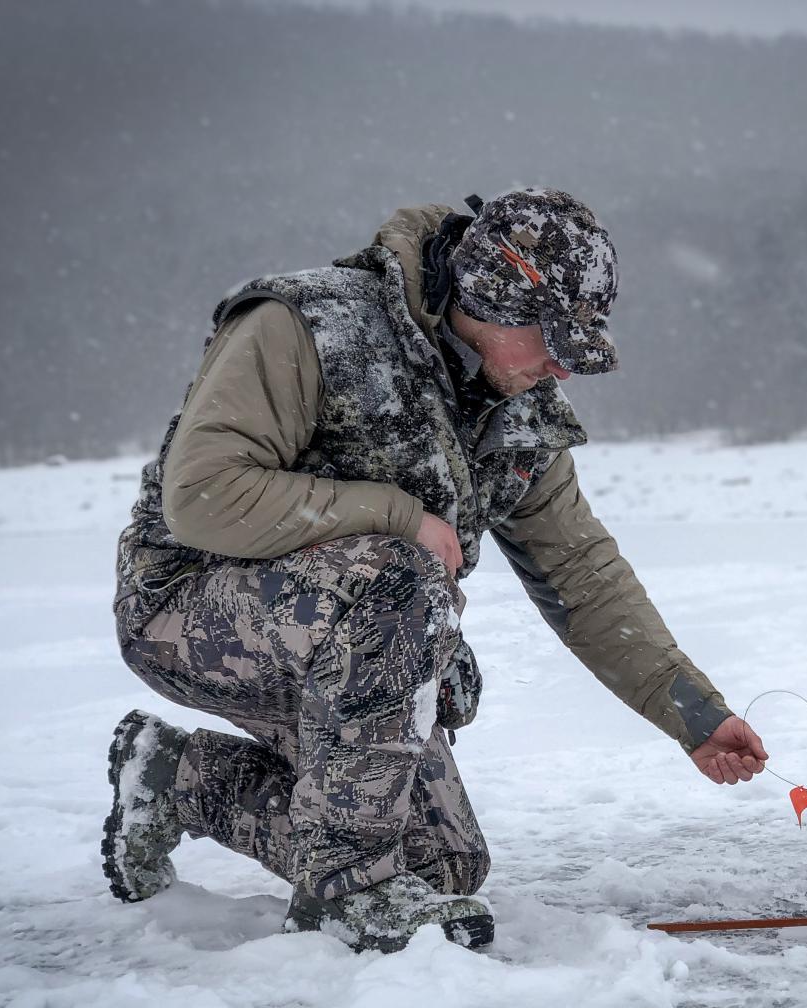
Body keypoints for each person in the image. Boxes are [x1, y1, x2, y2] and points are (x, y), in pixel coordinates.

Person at [106, 187, 767, 953]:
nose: (562, 366)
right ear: (488, 300)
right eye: (552, 339)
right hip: (187, 610)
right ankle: (346, 892)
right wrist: (396, 515)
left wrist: (694, 716)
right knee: (398, 578)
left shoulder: (518, 412)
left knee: (441, 867)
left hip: (347, 643)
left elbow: (581, 576)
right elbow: (203, 496)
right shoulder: (306, 326)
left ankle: (174, 778)